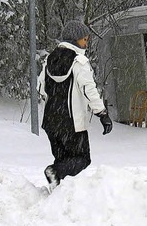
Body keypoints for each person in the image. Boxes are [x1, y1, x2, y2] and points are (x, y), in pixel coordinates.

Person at [37, 19, 112, 190]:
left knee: (62, 160)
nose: (86, 44)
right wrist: (102, 114)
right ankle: (54, 172)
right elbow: (89, 90)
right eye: (84, 40)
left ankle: (58, 194)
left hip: (51, 121)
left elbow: (40, 88)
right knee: (82, 159)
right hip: (72, 123)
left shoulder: (49, 59)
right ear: (74, 39)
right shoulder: (79, 62)